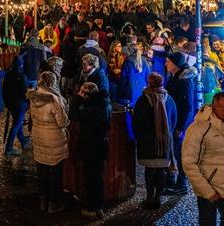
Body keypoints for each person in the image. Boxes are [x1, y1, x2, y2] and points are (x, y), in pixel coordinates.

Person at [182, 92, 224, 226]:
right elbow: (189, 163)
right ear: (214, 108)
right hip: (209, 188)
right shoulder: (198, 129)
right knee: (207, 221)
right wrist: (207, 191)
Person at [133, 72, 177, 209]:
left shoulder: (143, 100)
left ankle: (149, 197)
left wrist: (138, 136)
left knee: (150, 170)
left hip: (148, 141)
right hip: (164, 141)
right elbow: (174, 118)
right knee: (161, 170)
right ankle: (158, 198)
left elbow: (136, 121)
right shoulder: (169, 99)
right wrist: (167, 133)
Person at [27, 71, 69, 214]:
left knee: (42, 171)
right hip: (54, 139)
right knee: (56, 173)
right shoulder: (54, 100)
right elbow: (62, 122)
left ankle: (42, 201)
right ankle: (53, 203)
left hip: (39, 136)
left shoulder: (33, 96)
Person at [70, 81, 111, 220]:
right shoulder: (105, 104)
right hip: (101, 144)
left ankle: (92, 208)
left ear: (86, 94)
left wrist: (77, 99)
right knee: (98, 177)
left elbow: (73, 115)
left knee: (90, 177)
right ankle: (99, 207)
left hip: (89, 145)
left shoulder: (89, 108)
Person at [163, 51, 198, 195]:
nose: (166, 64)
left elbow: (187, 106)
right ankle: (172, 179)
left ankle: (181, 184)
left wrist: (180, 127)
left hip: (180, 123)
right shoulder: (175, 77)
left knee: (180, 153)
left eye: (168, 61)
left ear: (175, 64)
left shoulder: (184, 81)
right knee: (173, 151)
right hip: (174, 120)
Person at [3, 56, 30, 156]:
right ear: (21, 65)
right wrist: (28, 102)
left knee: (17, 123)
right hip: (20, 104)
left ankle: (23, 141)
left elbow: (4, 89)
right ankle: (9, 148)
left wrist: (6, 102)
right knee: (16, 125)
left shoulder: (8, 74)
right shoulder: (21, 76)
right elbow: (25, 92)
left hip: (11, 103)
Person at [119, 39, 149, 107]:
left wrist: (121, 91)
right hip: (142, 88)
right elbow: (148, 75)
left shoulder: (128, 61)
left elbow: (124, 78)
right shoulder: (145, 60)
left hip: (130, 88)